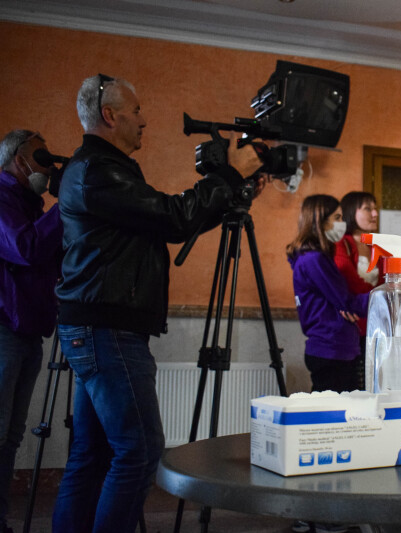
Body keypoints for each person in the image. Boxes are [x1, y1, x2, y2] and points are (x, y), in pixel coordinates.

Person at [52, 74, 264, 533]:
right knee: (140, 452)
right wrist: (229, 175)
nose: (144, 120)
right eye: (136, 111)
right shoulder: (99, 170)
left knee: (92, 455)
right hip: (107, 329)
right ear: (110, 115)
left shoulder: (99, 168)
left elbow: (170, 221)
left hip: (95, 325)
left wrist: (229, 190)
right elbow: (172, 217)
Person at [0, 129, 63, 533]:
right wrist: (65, 205)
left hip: (28, 333)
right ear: (18, 160)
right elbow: (25, 248)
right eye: (42, 158)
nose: (49, 167)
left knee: (10, 437)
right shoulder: (2, 199)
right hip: (5, 332)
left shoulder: (30, 205)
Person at [333, 191, 401, 389]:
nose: (375, 214)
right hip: (350, 326)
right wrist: (387, 287)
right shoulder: (341, 244)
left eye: (375, 209)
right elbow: (351, 283)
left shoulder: (378, 245)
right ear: (351, 211)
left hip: (379, 325)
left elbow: (386, 282)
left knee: (378, 383)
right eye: (367, 209)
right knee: (352, 386)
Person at [287, 194, 370, 393]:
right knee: (334, 410)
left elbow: (340, 300)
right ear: (320, 221)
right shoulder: (313, 260)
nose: (342, 223)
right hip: (331, 349)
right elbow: (346, 301)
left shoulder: (319, 258)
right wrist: (387, 294)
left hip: (339, 348)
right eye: (337, 218)